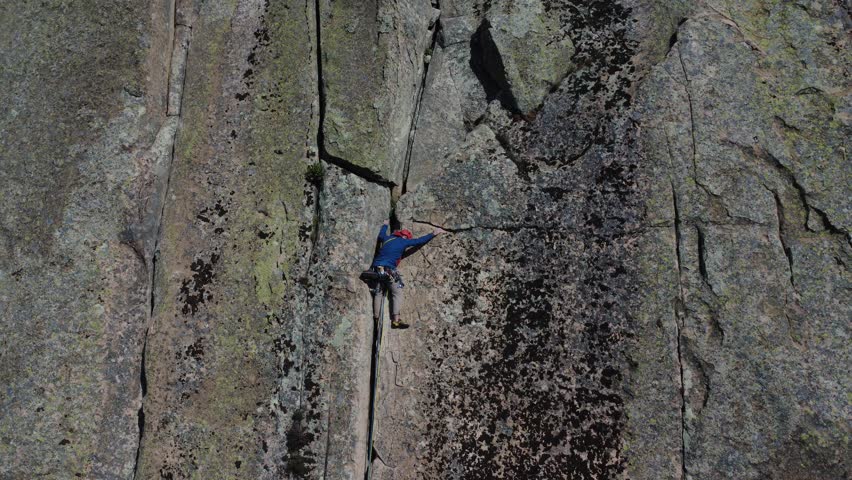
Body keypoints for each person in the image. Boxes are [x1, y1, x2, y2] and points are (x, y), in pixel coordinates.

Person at [369, 220, 446, 329]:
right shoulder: (403, 242)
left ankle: (376, 318)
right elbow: (418, 241)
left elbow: (381, 235)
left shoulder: (387, 238)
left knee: (378, 293)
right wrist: (433, 233)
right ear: (405, 237)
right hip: (388, 269)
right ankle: (396, 320)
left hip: (376, 269)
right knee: (397, 292)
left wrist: (385, 225)